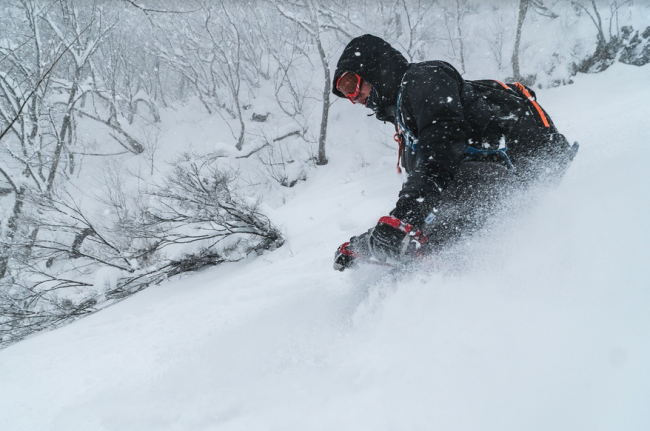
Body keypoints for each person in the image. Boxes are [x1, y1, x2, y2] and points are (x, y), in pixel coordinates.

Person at [332, 34, 578, 271]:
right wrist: (363, 245)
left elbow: (442, 150)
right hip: (480, 194)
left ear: (376, 69)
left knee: (423, 246)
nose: (354, 98)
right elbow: (425, 190)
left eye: (351, 85)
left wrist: (403, 220)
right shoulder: (407, 127)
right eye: (346, 94)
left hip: (503, 181)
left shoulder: (424, 78)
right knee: (414, 247)